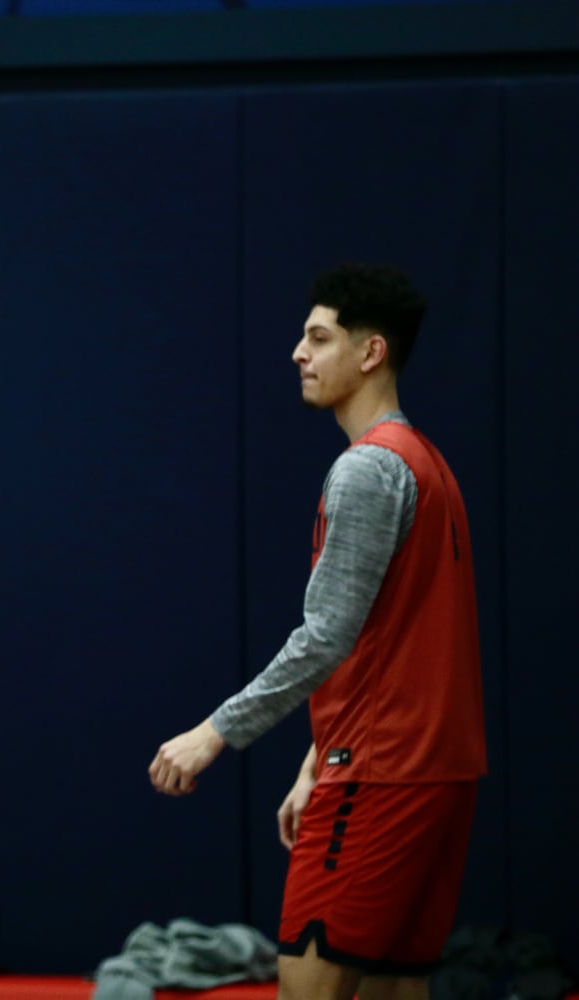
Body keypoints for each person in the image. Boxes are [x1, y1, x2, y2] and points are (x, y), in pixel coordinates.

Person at [148, 263, 486, 1000]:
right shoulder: (430, 465)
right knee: (395, 989)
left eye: (318, 337)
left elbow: (327, 635)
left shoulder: (368, 469)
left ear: (371, 353)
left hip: (382, 768)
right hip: (439, 772)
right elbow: (388, 642)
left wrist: (215, 732)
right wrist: (311, 762)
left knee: (310, 985)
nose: (298, 353)